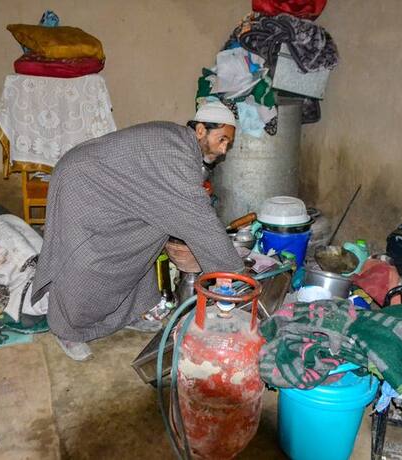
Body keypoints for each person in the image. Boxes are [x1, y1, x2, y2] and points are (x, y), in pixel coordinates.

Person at [31, 101, 244, 361]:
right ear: (201, 130)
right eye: (221, 139)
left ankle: (127, 314)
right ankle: (68, 328)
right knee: (88, 259)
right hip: (82, 182)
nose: (223, 150)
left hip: (109, 187)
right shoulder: (177, 152)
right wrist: (235, 272)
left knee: (144, 238)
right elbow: (198, 218)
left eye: (227, 144)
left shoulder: (180, 144)